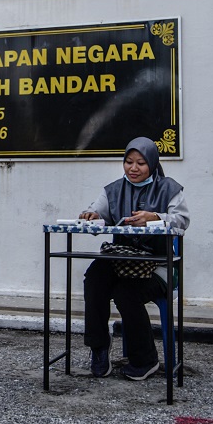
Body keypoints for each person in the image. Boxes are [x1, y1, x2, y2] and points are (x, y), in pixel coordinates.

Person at [78, 137, 189, 381]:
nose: (133, 168)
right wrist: (92, 215)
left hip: (158, 265)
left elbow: (181, 221)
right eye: (129, 162)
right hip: (122, 260)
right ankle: (98, 348)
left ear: (152, 163)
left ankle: (146, 360)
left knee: (126, 293)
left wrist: (155, 217)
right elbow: (98, 214)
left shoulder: (170, 188)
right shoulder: (113, 190)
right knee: (94, 278)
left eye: (141, 163)